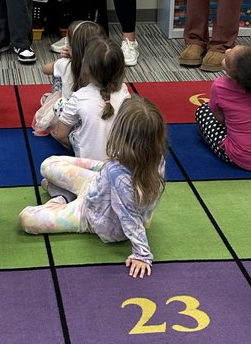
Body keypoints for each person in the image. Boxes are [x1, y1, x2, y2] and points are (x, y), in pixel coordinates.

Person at [19, 96, 167, 279]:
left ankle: (62, 199)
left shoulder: (118, 175)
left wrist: (142, 254)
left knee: (26, 219)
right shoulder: (156, 155)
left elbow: (129, 216)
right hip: (98, 185)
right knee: (48, 164)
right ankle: (63, 193)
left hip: (91, 214)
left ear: (119, 133)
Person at [50, 34, 130, 159]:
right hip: (119, 162)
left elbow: (60, 134)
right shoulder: (124, 91)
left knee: (60, 106)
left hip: (88, 165)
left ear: (86, 68)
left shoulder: (79, 96)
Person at [32, 18, 103, 136]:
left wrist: (62, 59)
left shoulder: (65, 64)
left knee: (58, 75)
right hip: (94, 112)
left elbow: (45, 69)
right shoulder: (103, 65)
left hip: (68, 113)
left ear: (70, 46)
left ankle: (54, 100)